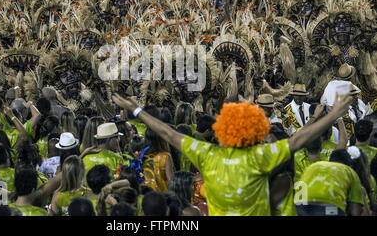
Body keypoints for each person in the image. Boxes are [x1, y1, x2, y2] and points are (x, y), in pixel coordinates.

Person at [112, 91, 353, 215]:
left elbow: (168, 134)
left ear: (224, 129)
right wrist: (334, 114)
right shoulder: (260, 158)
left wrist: (137, 110)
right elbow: (299, 139)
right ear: (255, 133)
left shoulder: (207, 155)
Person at [297, 149, 364, 216]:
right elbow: (355, 211)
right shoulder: (350, 172)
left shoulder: (312, 166)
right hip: (331, 208)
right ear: (349, 165)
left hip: (301, 206)